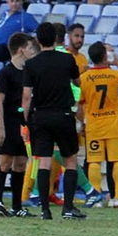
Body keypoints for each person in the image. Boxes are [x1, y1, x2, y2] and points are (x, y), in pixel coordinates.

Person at [20, 21, 87, 220]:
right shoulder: (67, 60)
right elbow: (77, 82)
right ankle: (68, 208)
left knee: (43, 162)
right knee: (70, 159)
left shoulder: (31, 64)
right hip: (63, 114)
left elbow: (26, 96)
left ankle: (45, 210)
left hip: (40, 115)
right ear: (59, 39)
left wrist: (25, 121)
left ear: (38, 40)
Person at [79, 41, 118, 207]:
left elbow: (81, 104)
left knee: (95, 162)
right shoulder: (114, 75)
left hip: (94, 126)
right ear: (105, 56)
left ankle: (96, 199)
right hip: (113, 125)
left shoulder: (84, 78)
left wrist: (82, 124)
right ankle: (117, 199)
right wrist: (117, 63)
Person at [0, 32, 37, 216]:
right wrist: (0, 126)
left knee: (20, 163)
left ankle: (17, 206)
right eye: (30, 47)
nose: (33, 51)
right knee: (4, 162)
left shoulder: (28, 72)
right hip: (9, 122)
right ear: (20, 50)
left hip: (23, 123)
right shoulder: (6, 73)